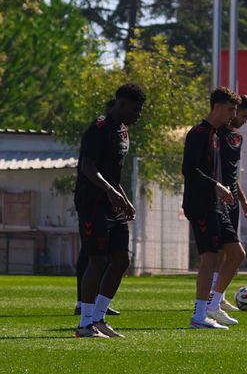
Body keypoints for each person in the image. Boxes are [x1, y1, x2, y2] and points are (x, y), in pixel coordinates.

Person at [74, 84, 146, 338]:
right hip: (92, 203)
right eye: (135, 109)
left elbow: (112, 174)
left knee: (121, 259)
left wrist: (124, 199)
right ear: (122, 105)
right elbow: (88, 167)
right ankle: (85, 324)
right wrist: (109, 192)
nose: (138, 114)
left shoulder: (123, 132)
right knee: (97, 260)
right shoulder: (99, 129)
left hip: (112, 202)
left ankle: (99, 318)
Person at [182, 87, 240, 329]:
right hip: (200, 204)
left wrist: (223, 192)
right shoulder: (198, 133)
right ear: (216, 107)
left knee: (236, 254)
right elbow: (189, 170)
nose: (233, 115)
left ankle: (213, 306)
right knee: (209, 258)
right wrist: (217, 186)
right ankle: (199, 316)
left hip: (216, 205)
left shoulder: (216, 135)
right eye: (230, 109)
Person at [208, 95, 247, 319]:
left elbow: (233, 173)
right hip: (219, 198)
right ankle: (212, 299)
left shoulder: (237, 137)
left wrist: (243, 200)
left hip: (232, 199)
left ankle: (218, 297)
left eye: (246, 116)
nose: (243, 119)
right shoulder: (216, 134)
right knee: (220, 251)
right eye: (242, 114)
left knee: (229, 251)